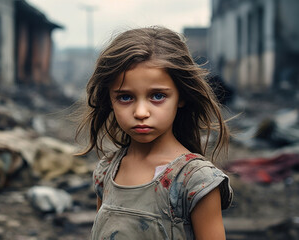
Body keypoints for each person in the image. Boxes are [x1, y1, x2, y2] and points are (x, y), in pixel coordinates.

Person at [75, 26, 233, 239]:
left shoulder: (195, 181)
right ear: (109, 100)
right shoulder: (107, 172)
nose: (141, 112)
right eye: (125, 97)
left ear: (181, 97)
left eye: (157, 96)